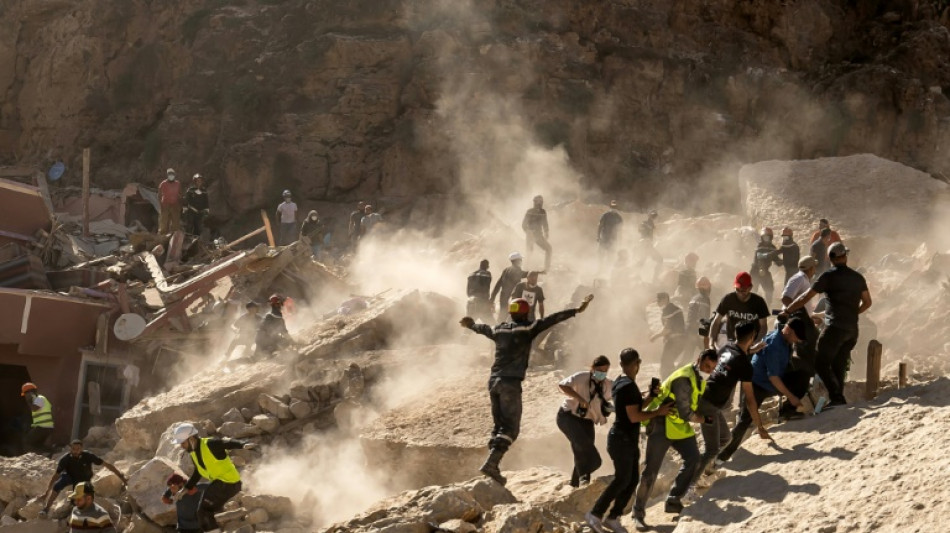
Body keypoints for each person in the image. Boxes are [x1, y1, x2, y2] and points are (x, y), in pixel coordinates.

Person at [460, 295, 594, 485]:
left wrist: (471, 324)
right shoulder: (528, 328)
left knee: (498, 427)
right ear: (526, 313)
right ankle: (491, 464)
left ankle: (493, 465)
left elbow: (484, 329)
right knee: (511, 428)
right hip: (510, 383)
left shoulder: (499, 330)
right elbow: (552, 319)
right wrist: (577, 311)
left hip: (493, 382)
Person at [586, 348, 670, 533]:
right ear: (636, 364)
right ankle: (594, 514)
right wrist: (658, 411)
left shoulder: (621, 382)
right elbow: (634, 416)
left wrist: (651, 397)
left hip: (626, 439)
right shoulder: (627, 386)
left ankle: (613, 517)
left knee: (631, 480)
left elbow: (635, 406)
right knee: (621, 479)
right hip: (622, 440)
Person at [633, 349, 719, 526]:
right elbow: (686, 412)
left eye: (712, 368)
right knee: (651, 471)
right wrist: (705, 419)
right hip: (660, 424)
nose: (709, 370)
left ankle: (673, 499)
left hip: (679, 427)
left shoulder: (699, 378)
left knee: (694, 459)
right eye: (707, 366)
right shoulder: (684, 379)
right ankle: (637, 513)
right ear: (698, 360)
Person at [785, 242, 872, 406]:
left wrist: (787, 311)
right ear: (845, 257)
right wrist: (854, 313)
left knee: (819, 362)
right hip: (852, 330)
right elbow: (867, 302)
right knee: (839, 363)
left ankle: (836, 397)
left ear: (830, 259)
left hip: (834, 328)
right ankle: (838, 399)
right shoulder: (857, 277)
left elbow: (805, 297)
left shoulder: (827, 277)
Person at [716, 318, 809, 463]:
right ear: (788, 331)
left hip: (772, 381)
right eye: (795, 337)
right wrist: (791, 397)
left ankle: (786, 411)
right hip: (756, 385)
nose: (796, 341)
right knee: (744, 421)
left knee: (802, 377)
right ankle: (721, 456)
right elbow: (773, 377)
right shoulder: (774, 345)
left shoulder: (785, 340)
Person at [701, 321, 772, 471]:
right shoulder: (745, 366)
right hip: (710, 405)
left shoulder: (727, 347)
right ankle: (694, 479)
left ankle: (707, 467)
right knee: (712, 448)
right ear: (752, 337)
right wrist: (759, 426)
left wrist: (750, 350)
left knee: (726, 438)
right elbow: (750, 400)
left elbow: (735, 357)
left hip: (707, 396)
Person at [163, 423, 257, 532]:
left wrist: (243, 445)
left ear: (191, 439)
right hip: (221, 484)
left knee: (203, 511)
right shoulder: (193, 453)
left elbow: (226, 442)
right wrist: (185, 489)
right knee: (203, 513)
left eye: (183, 443)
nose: (181, 446)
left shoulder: (210, 444)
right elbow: (198, 472)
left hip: (228, 483)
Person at [557, 355, 613, 488]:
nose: (602, 373)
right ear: (593, 368)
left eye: (605, 371)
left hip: (587, 420)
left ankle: (576, 484)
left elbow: (622, 391)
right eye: (600, 370)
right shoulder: (582, 376)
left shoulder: (608, 384)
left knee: (582, 451)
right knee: (587, 451)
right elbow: (563, 385)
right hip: (568, 416)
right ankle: (583, 478)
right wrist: (580, 399)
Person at [41, 439, 127, 516]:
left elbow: (107, 465)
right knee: (57, 486)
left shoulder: (88, 456)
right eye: (73, 449)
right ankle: (46, 509)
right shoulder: (65, 459)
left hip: (84, 480)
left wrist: (121, 477)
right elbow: (56, 475)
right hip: (70, 477)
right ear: (70, 449)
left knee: (78, 501)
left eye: (78, 449)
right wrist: (47, 492)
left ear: (81, 449)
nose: (75, 451)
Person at [706, 272, 770, 350]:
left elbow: (763, 326)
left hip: (751, 344)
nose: (740, 293)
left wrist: (755, 343)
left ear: (750, 287)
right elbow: (716, 322)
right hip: (732, 342)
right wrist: (711, 343)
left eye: (743, 290)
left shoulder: (759, 302)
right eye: (737, 289)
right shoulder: (728, 299)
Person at [781, 256, 820, 373]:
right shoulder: (799, 278)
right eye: (814, 267)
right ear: (811, 268)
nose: (815, 270)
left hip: (802, 322)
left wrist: (809, 316)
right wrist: (799, 315)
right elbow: (785, 298)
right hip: (796, 324)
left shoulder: (803, 279)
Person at [650, 292, 687, 377]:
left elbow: (667, 330)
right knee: (669, 363)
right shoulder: (673, 308)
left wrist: (654, 337)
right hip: (680, 341)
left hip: (675, 341)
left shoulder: (669, 310)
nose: (658, 303)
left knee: (665, 364)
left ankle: (667, 384)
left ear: (666, 299)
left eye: (660, 300)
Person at [489, 252, 527, 320]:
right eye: (520, 259)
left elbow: (498, 285)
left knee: (502, 315)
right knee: (513, 314)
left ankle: (499, 328)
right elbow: (523, 274)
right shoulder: (517, 269)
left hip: (503, 296)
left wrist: (492, 298)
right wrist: (535, 273)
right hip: (513, 297)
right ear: (516, 261)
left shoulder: (506, 270)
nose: (521, 261)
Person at [255, 295, 293, 359]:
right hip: (266, 339)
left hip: (260, 339)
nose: (281, 306)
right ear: (276, 304)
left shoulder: (269, 315)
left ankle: (267, 352)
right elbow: (283, 332)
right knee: (285, 342)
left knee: (254, 358)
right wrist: (292, 341)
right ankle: (268, 351)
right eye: (279, 304)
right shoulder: (274, 316)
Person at [750, 227, 781, 305]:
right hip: (755, 270)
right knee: (753, 289)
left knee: (770, 288)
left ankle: (768, 305)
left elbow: (777, 261)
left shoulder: (772, 247)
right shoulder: (759, 246)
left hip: (765, 271)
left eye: (768, 237)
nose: (766, 239)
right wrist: (771, 254)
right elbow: (759, 256)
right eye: (764, 237)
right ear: (762, 238)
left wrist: (785, 261)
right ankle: (750, 306)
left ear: (771, 237)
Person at [21, 382, 54, 454]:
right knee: (37, 444)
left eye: (26, 394)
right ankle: (50, 452)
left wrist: (29, 401)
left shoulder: (40, 398)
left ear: (30, 393)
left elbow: (34, 408)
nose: (25, 396)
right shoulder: (39, 399)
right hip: (45, 427)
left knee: (27, 441)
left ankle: (43, 454)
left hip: (43, 427)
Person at [522, 195, 552, 271]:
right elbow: (523, 225)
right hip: (530, 235)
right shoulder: (530, 211)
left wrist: (546, 232)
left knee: (549, 249)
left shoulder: (543, 212)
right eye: (538, 202)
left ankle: (546, 269)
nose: (540, 203)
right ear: (534, 202)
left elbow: (545, 223)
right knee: (529, 251)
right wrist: (528, 232)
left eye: (541, 202)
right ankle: (525, 269)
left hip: (539, 235)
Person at [686, 277, 712, 351]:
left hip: (690, 328)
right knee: (706, 351)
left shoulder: (695, 297)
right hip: (696, 330)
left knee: (689, 353)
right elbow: (704, 316)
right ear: (707, 287)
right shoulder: (705, 299)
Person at [159, 168, 182, 234]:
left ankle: (174, 237)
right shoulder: (163, 184)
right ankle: (162, 237)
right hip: (165, 205)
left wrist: (180, 205)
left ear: (174, 175)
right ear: (167, 175)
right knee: (164, 223)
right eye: (169, 174)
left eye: (172, 174)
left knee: (176, 223)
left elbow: (180, 194)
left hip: (175, 205)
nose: (171, 175)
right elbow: (159, 195)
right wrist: (161, 205)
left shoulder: (178, 183)